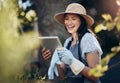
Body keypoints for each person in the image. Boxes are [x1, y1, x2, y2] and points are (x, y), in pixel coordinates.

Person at [42, 3, 103, 83]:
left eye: (73, 19)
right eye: (67, 19)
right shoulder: (68, 42)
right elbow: (63, 76)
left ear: (82, 21)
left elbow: (95, 75)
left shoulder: (88, 39)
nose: (69, 22)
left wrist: (72, 62)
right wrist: (54, 59)